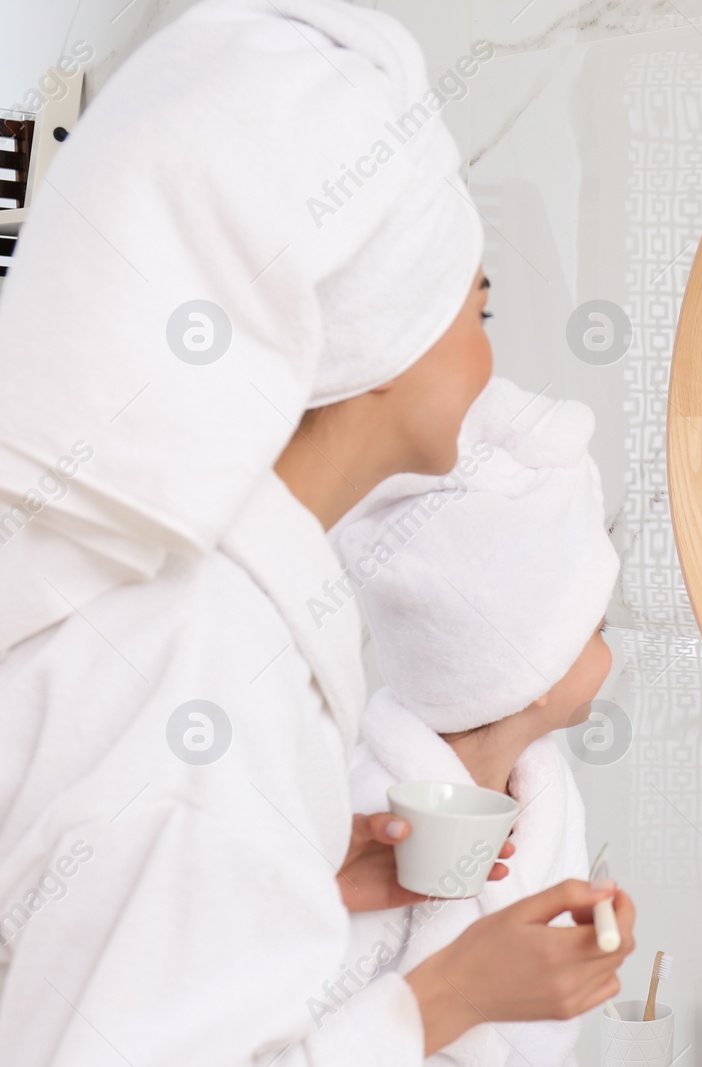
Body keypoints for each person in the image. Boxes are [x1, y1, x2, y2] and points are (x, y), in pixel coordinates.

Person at [0, 3, 633, 1063]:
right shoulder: (206, 661)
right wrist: (444, 998)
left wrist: (291, 865)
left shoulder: (183, 621)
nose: (486, 362)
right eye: (475, 311)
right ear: (379, 340)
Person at [331, 376, 619, 1067]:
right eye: (597, 626)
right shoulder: (376, 815)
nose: (611, 647)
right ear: (526, 674)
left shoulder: (546, 795)